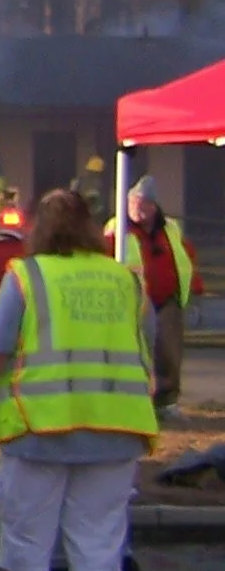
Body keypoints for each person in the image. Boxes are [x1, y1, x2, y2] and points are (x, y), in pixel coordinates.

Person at [0, 189, 158, 571]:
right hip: (116, 426)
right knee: (99, 531)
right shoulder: (126, 281)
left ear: (39, 229)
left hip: (40, 425)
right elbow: (147, 347)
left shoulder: (27, 277)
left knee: (25, 526)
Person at [106, 175, 202, 420]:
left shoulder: (170, 228)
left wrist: (195, 289)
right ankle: (137, 402)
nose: (137, 208)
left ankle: (166, 402)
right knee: (137, 352)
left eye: (143, 203)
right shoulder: (117, 228)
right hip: (135, 302)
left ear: (154, 206)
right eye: (133, 203)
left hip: (168, 299)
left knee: (169, 352)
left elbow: (185, 256)